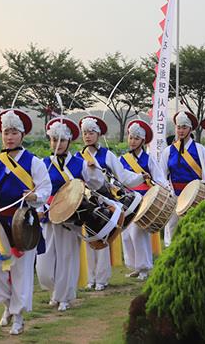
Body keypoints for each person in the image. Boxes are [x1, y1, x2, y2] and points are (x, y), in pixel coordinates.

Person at [0, 109, 52, 335]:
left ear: (22, 135)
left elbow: (45, 188)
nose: (9, 137)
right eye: (6, 132)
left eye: (14, 132)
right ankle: (7, 304)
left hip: (25, 222)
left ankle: (19, 316)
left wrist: (35, 198)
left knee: (22, 270)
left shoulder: (34, 162)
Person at [36, 116, 104, 312]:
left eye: (61, 140)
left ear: (69, 142)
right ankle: (54, 290)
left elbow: (96, 184)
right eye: (53, 140)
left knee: (67, 257)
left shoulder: (80, 163)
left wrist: (93, 169)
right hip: (48, 215)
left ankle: (64, 296)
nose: (57, 144)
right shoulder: (43, 163)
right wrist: (40, 210)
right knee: (45, 264)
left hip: (71, 216)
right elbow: (38, 188)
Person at [76, 115, 145, 291]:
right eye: (85, 133)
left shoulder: (108, 155)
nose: (87, 136)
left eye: (91, 132)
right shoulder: (79, 156)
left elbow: (122, 176)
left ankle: (102, 278)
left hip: (105, 200)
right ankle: (90, 278)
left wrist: (140, 177)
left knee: (102, 238)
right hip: (85, 201)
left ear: (98, 134)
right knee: (89, 239)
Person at [120, 120, 168, 281]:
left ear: (142, 140)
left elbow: (160, 179)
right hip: (127, 199)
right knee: (126, 234)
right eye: (130, 138)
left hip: (143, 200)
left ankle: (144, 267)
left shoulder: (148, 159)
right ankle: (134, 265)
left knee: (137, 233)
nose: (132, 141)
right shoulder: (122, 159)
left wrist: (158, 190)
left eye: (136, 138)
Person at [159, 111, 205, 247]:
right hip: (175, 195)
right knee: (172, 228)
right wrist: (168, 189)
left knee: (196, 227)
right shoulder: (168, 151)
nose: (181, 131)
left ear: (190, 129)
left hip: (196, 196)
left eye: (184, 127)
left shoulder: (200, 150)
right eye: (178, 127)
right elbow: (161, 175)